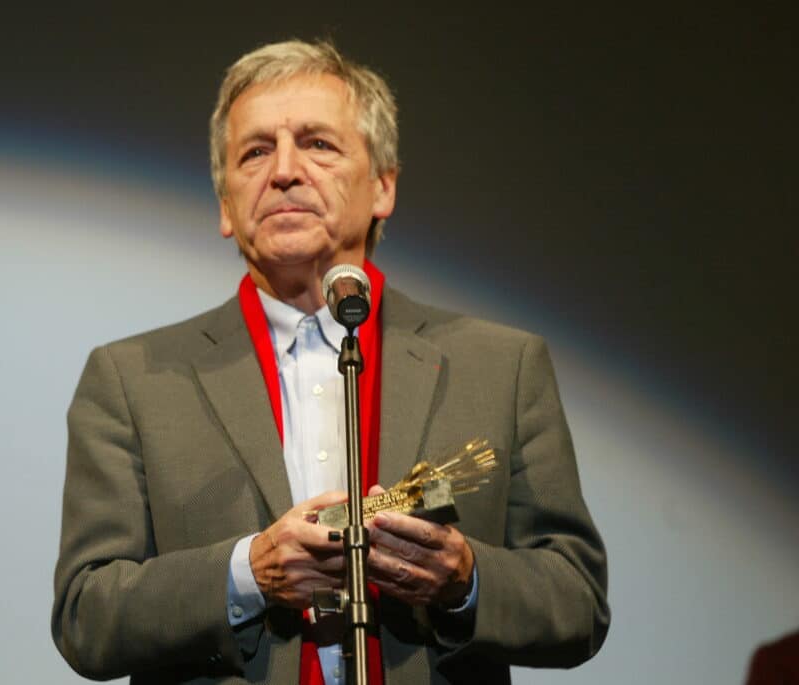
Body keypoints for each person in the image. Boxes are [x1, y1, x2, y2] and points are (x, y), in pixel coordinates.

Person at [52, 40, 609, 684]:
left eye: (318, 144)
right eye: (255, 152)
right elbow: (85, 618)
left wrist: (464, 578)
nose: (284, 171)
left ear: (382, 187)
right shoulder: (131, 380)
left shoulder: (500, 367)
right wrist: (248, 573)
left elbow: (578, 602)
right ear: (226, 206)